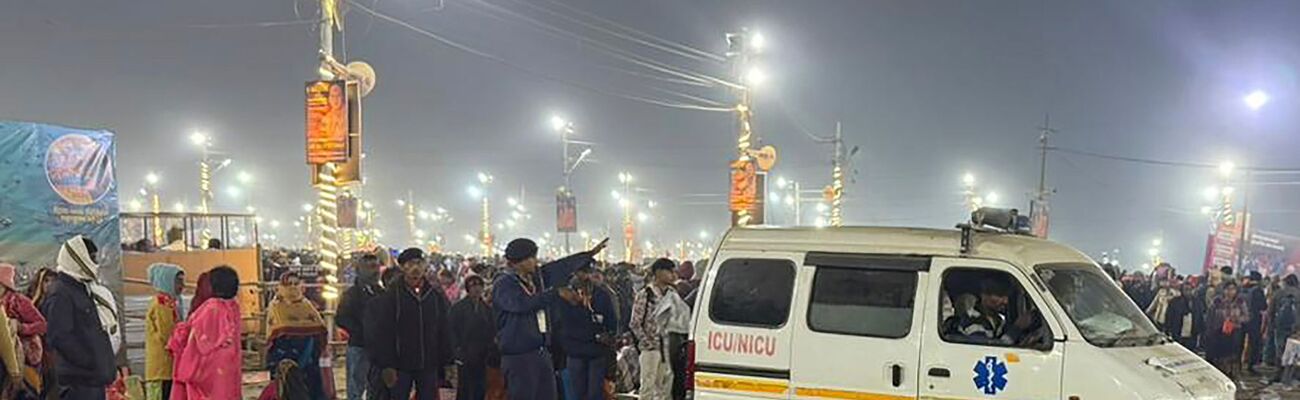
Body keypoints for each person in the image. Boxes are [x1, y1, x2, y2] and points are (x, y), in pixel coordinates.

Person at [493, 238, 607, 400]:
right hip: (519, 356)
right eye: (531, 258)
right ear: (519, 261)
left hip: (541, 352)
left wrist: (588, 254)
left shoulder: (535, 278)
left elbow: (561, 266)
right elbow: (521, 304)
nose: (535, 261)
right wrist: (556, 293)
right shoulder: (504, 284)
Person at [366, 248, 453, 400]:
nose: (415, 268)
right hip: (400, 364)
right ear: (402, 267)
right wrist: (387, 365)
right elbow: (383, 332)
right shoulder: (392, 296)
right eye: (410, 264)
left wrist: (448, 360)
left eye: (419, 263)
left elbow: (444, 329)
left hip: (428, 363)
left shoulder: (434, 295)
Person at [40, 236, 118, 400]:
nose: (95, 262)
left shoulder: (81, 289)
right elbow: (59, 336)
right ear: (78, 257)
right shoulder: (61, 292)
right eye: (92, 257)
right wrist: (89, 360)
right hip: (78, 382)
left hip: (92, 380)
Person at [169, 266, 242, 400]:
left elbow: (199, 341)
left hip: (208, 369)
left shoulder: (211, 308)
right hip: (228, 364)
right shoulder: (233, 306)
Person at [265, 272, 331, 400]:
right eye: (289, 284)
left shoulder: (306, 305)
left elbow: (319, 327)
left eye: (296, 284)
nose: (293, 287)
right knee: (288, 387)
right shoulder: (276, 305)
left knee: (310, 385)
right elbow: (278, 329)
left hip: (309, 356)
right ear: (282, 286)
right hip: (285, 354)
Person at [556, 266, 617, 400]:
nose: (585, 276)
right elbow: (562, 324)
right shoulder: (565, 297)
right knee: (577, 393)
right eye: (581, 272)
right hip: (576, 351)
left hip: (595, 351)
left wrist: (609, 335)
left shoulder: (601, 295)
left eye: (587, 272)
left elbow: (612, 321)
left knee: (594, 393)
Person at [630, 259, 678, 400]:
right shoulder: (645, 294)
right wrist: (647, 343)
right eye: (670, 271)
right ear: (658, 272)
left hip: (667, 349)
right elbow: (634, 323)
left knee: (665, 390)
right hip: (651, 350)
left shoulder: (672, 293)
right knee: (647, 389)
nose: (673, 275)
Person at [337, 254, 383, 400]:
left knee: (376, 386)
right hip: (359, 346)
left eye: (376, 267)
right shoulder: (351, 294)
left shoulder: (382, 293)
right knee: (356, 387)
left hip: (378, 347)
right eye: (370, 267)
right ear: (359, 270)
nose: (375, 271)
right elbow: (341, 318)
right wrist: (361, 331)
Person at [449, 275, 496, 400]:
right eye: (472, 286)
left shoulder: (487, 309)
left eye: (479, 285)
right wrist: (456, 351)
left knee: (480, 386)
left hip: (482, 354)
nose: (476, 289)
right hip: (465, 353)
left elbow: (492, 331)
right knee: (465, 387)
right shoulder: (458, 308)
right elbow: (452, 331)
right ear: (467, 289)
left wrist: (490, 349)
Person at [145, 263, 184, 400]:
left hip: (163, 368)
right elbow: (168, 335)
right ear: (166, 281)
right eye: (178, 281)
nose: (182, 286)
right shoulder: (163, 304)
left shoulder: (170, 302)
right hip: (163, 369)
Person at [1207, 281, 1250, 380]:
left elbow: (1246, 316)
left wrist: (1236, 319)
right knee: (1220, 353)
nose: (1230, 292)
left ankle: (1232, 373)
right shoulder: (1217, 301)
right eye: (1227, 289)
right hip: (1219, 331)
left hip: (1235, 331)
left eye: (1232, 289)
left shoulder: (1240, 301)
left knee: (1233, 353)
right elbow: (1210, 315)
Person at [1269, 274, 1300, 382]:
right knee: (1294, 352)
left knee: (1280, 350)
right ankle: (1290, 376)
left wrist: (1272, 325)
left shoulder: (1279, 293)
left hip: (1280, 327)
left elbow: (1271, 311)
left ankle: (1278, 373)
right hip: (1295, 328)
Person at [1243, 272, 1268, 374]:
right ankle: (1251, 365)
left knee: (1240, 342)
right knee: (1254, 342)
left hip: (1242, 318)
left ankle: (1238, 364)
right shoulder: (1258, 291)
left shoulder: (1243, 288)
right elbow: (1263, 306)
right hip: (1254, 319)